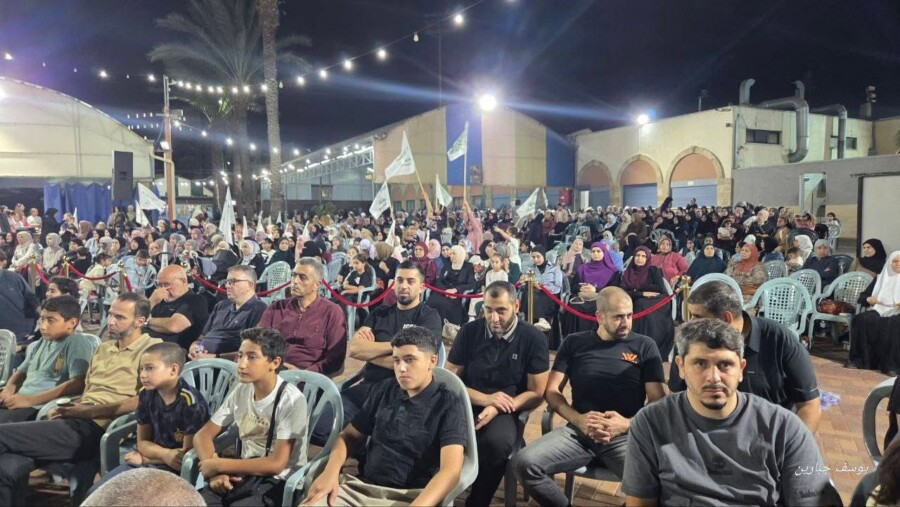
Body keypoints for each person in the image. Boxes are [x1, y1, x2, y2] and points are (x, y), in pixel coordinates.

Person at [623, 318, 830, 506]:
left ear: (741, 369)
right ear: (681, 367)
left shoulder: (784, 428)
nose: (714, 377)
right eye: (700, 363)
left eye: (725, 365)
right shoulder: (651, 423)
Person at [0, 292, 161, 506]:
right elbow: (87, 390)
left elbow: (142, 401)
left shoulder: (153, 350)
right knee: (7, 467)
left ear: (140, 321)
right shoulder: (104, 348)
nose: (110, 321)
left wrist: (86, 412)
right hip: (74, 420)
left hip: (100, 428)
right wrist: (71, 407)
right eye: (110, 314)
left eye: (120, 317)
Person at [513, 287, 665, 507]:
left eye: (629, 316)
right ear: (600, 317)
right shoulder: (574, 343)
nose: (626, 323)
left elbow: (658, 400)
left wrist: (626, 424)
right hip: (579, 432)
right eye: (618, 317)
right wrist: (578, 420)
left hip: (625, 436)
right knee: (524, 463)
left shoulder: (644, 346)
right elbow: (552, 391)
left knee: (655, 482)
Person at [300, 326, 466, 507]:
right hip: (360, 488)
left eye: (410, 359)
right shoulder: (384, 389)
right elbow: (349, 436)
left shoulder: (448, 403)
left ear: (432, 361)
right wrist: (330, 472)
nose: (401, 368)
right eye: (396, 361)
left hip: (411, 497)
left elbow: (451, 470)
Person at [447, 281, 550, 506]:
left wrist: (497, 406)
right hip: (466, 399)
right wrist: (485, 399)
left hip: (507, 407)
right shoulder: (469, 331)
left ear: (516, 306)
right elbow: (450, 379)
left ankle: (478, 500)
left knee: (496, 443)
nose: (494, 318)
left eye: (501, 310)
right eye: (488, 310)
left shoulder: (533, 338)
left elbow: (536, 392)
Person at [670, 281, 821, 431]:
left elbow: (809, 405)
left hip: (768, 435)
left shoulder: (779, 340)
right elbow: (677, 398)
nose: (691, 323)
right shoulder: (689, 340)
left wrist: (795, 444)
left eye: (698, 317)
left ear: (726, 319)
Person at [193, 328, 308, 506]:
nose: (241, 364)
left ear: (274, 362)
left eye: (251, 357)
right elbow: (203, 435)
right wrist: (216, 474)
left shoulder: (291, 400)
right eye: (240, 356)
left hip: (278, 481)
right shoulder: (242, 388)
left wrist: (219, 465)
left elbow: (277, 464)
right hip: (243, 472)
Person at [88, 343, 209, 491]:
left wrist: (145, 459)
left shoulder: (191, 403)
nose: (143, 375)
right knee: (97, 492)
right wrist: (163, 455)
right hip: (154, 460)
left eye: (149, 368)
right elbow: (142, 443)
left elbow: (185, 458)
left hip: (177, 471)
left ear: (173, 369)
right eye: (141, 369)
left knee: (128, 497)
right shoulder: (146, 394)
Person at [0, 296, 96, 423]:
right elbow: (21, 371)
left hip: (38, 405)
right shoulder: (43, 341)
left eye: (51, 320)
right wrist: (8, 389)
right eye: (42, 319)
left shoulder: (76, 342)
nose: (43, 326)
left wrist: (29, 400)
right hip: (19, 400)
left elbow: (78, 383)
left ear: (72, 323)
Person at [257, 257, 347, 374]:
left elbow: (335, 358)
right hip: (271, 370)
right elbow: (257, 342)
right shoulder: (276, 308)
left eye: (302, 277)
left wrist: (304, 374)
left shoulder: (332, 312)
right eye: (293, 275)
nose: (295, 281)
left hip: (309, 376)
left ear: (317, 284)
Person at [187, 265, 267, 360]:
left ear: (249, 285)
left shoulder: (259, 309)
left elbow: (252, 349)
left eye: (232, 281)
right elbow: (202, 337)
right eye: (227, 282)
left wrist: (214, 357)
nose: (227, 286)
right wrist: (195, 346)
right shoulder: (221, 306)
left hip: (224, 364)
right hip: (200, 358)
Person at [610, 246, 674, 359]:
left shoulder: (653, 270)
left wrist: (637, 289)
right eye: (637, 255)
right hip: (637, 298)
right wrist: (642, 293)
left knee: (643, 305)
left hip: (656, 300)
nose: (640, 258)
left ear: (647, 258)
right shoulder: (628, 272)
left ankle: (650, 344)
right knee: (638, 304)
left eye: (643, 256)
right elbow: (623, 291)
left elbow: (659, 288)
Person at [847, 251, 900, 375]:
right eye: (895, 261)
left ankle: (891, 366)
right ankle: (861, 361)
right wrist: (868, 299)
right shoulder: (880, 278)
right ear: (889, 263)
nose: (898, 264)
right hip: (879, 310)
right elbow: (863, 296)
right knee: (862, 319)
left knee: (894, 323)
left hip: (897, 312)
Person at [146, 265, 210, 350]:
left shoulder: (195, 300)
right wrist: (151, 302)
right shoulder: (157, 299)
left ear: (183, 281)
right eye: (159, 284)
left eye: (167, 284)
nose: (162, 288)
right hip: (146, 344)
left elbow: (173, 326)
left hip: (171, 350)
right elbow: (135, 318)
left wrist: (146, 321)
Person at [82, 468, 205, 507]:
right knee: (93, 491)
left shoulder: (192, 413)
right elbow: (142, 443)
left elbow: (179, 456)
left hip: (166, 464)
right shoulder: (149, 410)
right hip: (146, 460)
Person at [426, 245, 476, 326]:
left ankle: (445, 327)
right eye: (450, 254)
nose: (451, 256)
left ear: (460, 254)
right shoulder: (447, 264)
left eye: (454, 254)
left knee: (444, 305)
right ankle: (429, 324)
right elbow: (439, 280)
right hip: (442, 291)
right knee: (432, 302)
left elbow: (471, 284)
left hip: (456, 295)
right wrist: (445, 291)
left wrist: (456, 290)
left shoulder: (468, 266)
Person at [519, 246, 563, 332]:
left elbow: (558, 288)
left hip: (550, 296)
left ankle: (541, 319)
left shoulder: (554, 268)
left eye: (538, 257)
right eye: (533, 257)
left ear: (544, 256)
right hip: (533, 295)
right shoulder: (529, 268)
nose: (536, 259)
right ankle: (539, 320)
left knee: (534, 294)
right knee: (530, 292)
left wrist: (544, 288)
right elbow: (522, 280)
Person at [0, 251, 40, 341]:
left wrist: (40, 315)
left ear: (2, 262)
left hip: (17, 330)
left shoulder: (13, 277)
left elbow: (31, 299)